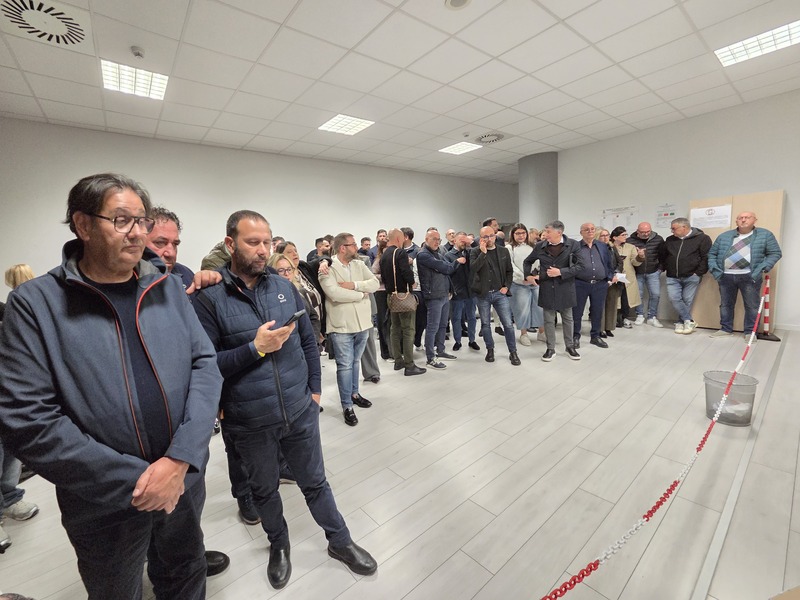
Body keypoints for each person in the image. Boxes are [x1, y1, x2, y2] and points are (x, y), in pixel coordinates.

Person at [0, 173, 222, 599]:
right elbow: (27, 420)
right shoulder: (36, 305)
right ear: (83, 225)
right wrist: (140, 482)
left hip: (183, 480)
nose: (137, 233)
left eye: (142, 221)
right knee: (115, 588)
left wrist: (180, 459)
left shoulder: (166, 287)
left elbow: (204, 366)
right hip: (102, 500)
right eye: (122, 220)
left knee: (184, 571)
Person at [193, 211, 377, 589]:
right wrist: (255, 348)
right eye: (253, 242)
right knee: (264, 490)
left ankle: (340, 540)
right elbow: (207, 365)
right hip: (249, 420)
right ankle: (279, 545)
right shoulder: (209, 298)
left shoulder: (281, 285)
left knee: (316, 482)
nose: (263, 250)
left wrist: (314, 391)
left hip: (299, 409)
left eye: (267, 241)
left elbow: (307, 339)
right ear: (230, 244)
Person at [145, 207, 232, 578]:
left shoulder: (182, 276)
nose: (168, 251)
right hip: (146, 425)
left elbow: (201, 352)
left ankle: (188, 554)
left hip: (187, 419)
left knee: (189, 500)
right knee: (148, 509)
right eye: (159, 242)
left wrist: (206, 280)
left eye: (174, 243)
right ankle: (159, 562)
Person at [318, 232, 379, 426]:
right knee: (344, 366)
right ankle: (347, 406)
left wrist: (353, 285)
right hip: (341, 326)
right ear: (342, 248)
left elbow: (375, 284)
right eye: (352, 244)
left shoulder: (359, 264)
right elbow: (334, 293)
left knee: (355, 362)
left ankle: (354, 394)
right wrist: (360, 295)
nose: (356, 247)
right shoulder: (327, 268)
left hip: (362, 324)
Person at [707, 211, 782, 339]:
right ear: (736, 221)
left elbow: (775, 253)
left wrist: (763, 268)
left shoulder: (765, 235)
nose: (743, 220)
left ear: (754, 220)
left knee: (752, 306)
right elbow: (712, 254)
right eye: (740, 218)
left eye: (747, 217)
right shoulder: (724, 236)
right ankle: (725, 329)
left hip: (750, 276)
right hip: (725, 276)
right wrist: (715, 270)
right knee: (725, 305)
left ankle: (750, 333)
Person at [524, 220, 585, 362]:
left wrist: (561, 272)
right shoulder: (540, 246)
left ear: (559, 232)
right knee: (548, 320)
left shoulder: (573, 245)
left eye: (548, 232)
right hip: (547, 287)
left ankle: (570, 346)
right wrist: (528, 276)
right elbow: (527, 261)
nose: (545, 234)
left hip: (565, 287)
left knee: (568, 319)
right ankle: (550, 348)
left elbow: (581, 266)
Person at [470, 226, 520, 366]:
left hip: (500, 293)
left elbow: (509, 271)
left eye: (491, 236)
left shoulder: (503, 251)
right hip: (483, 294)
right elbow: (473, 269)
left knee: (508, 324)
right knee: (485, 324)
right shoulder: (475, 251)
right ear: (480, 238)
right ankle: (490, 349)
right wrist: (483, 253)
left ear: (495, 236)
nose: (489, 239)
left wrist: (507, 286)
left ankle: (513, 352)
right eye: (485, 237)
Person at [416, 229, 465, 370]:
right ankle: (430, 358)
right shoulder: (423, 255)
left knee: (443, 325)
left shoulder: (438, 253)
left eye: (439, 239)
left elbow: (446, 270)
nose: (437, 242)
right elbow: (446, 268)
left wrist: (449, 289)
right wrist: (456, 262)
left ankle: (441, 350)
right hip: (433, 296)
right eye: (434, 239)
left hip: (444, 294)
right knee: (432, 327)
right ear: (426, 239)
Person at [381, 229, 426, 376]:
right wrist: (412, 283)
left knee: (395, 328)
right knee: (408, 330)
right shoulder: (400, 253)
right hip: (403, 296)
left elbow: (384, 277)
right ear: (398, 238)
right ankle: (409, 364)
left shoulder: (384, 254)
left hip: (391, 296)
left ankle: (398, 361)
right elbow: (406, 272)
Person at [659, 217, 712, 334]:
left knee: (687, 300)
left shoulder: (702, 238)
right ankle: (688, 320)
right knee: (674, 299)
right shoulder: (670, 240)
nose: (672, 231)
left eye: (674, 228)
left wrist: (699, 272)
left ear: (684, 227)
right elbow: (664, 256)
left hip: (692, 276)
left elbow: (706, 257)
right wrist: (664, 268)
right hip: (672, 276)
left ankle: (681, 322)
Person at [571, 223, 615, 349]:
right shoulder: (575, 247)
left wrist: (609, 277)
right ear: (581, 232)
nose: (590, 231)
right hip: (580, 283)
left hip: (600, 284)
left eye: (592, 229)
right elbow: (570, 264)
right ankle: (575, 336)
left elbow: (609, 262)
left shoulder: (602, 246)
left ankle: (595, 336)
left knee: (597, 311)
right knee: (577, 312)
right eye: (587, 229)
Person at [508, 224, 543, 346]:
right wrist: (524, 277)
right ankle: (524, 333)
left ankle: (541, 332)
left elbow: (539, 261)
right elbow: (510, 266)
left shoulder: (533, 246)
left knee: (540, 307)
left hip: (535, 281)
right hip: (519, 283)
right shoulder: (509, 248)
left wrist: (537, 275)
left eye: (523, 233)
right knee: (522, 309)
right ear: (513, 234)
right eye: (517, 233)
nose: (521, 235)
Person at [447, 232, 480, 352]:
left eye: (465, 240)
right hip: (457, 291)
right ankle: (458, 341)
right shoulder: (449, 255)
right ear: (455, 241)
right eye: (461, 240)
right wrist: (456, 262)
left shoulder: (470, 252)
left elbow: (479, 252)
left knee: (472, 317)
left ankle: (472, 340)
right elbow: (447, 271)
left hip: (470, 291)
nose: (463, 242)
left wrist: (471, 242)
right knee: (456, 318)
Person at [606, 227, 642, 335]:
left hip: (627, 277)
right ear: (615, 237)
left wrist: (640, 256)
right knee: (613, 298)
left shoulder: (630, 247)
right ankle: (613, 320)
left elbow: (635, 262)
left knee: (626, 298)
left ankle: (625, 318)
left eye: (626, 234)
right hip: (613, 277)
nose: (626, 237)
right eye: (623, 235)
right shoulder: (608, 247)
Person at [628, 222, 665, 327]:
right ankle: (639, 315)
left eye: (648, 231)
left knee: (655, 294)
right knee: (638, 295)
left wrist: (660, 269)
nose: (646, 234)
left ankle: (652, 317)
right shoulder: (630, 241)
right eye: (643, 232)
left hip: (653, 271)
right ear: (637, 231)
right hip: (637, 272)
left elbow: (663, 255)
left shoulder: (658, 239)